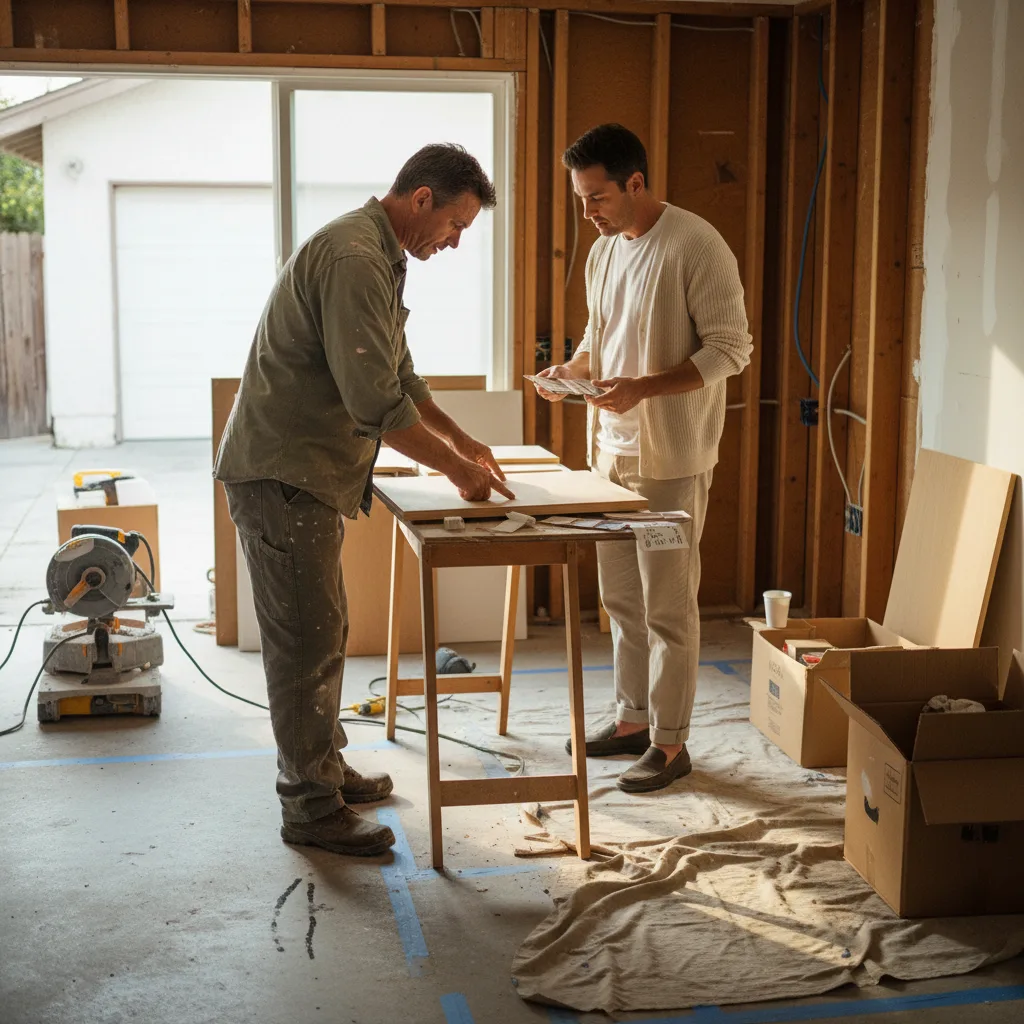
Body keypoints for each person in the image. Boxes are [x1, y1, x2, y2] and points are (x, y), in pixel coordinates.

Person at [215, 143, 514, 856]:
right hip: (285, 473)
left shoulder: (382, 254)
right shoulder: (355, 258)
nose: (457, 240)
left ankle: (325, 769)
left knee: (324, 630)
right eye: (456, 224)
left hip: (303, 474)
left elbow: (401, 377)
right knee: (304, 643)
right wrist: (458, 475)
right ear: (421, 200)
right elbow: (377, 402)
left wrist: (465, 441)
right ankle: (310, 809)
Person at [537, 124, 752, 794]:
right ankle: (631, 720)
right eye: (580, 197)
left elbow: (731, 350)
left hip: (670, 462)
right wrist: (568, 370)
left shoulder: (694, 243)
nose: (587, 211)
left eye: (596, 196)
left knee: (668, 606)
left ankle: (670, 741)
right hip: (609, 459)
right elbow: (599, 338)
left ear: (635, 182)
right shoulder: (604, 253)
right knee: (622, 603)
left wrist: (643, 389)